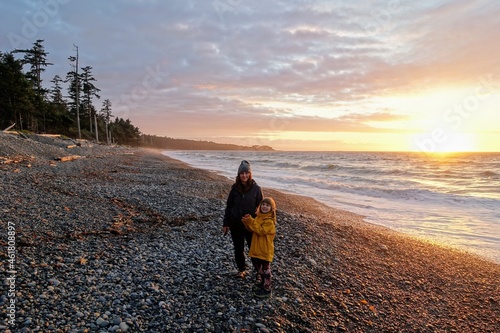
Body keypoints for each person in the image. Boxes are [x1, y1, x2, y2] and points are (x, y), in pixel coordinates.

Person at [223, 160, 264, 278]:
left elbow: (262, 209)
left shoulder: (257, 189)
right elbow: (229, 206)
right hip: (235, 224)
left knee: (254, 248)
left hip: (251, 225)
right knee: (238, 248)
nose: (244, 175)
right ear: (239, 174)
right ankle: (241, 270)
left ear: (250, 174)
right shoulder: (234, 188)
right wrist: (226, 223)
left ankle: (258, 271)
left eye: (247, 173)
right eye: (242, 173)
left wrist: (261, 224)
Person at [242, 197, 277, 298]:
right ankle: (262, 282)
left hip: (265, 248)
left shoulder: (269, 221)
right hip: (257, 247)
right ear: (260, 206)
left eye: (268, 205)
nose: (265, 207)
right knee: (258, 266)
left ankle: (267, 287)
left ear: (271, 208)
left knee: (265, 268)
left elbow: (261, 231)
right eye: (263, 205)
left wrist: (252, 222)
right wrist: (247, 221)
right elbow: (252, 229)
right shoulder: (258, 217)